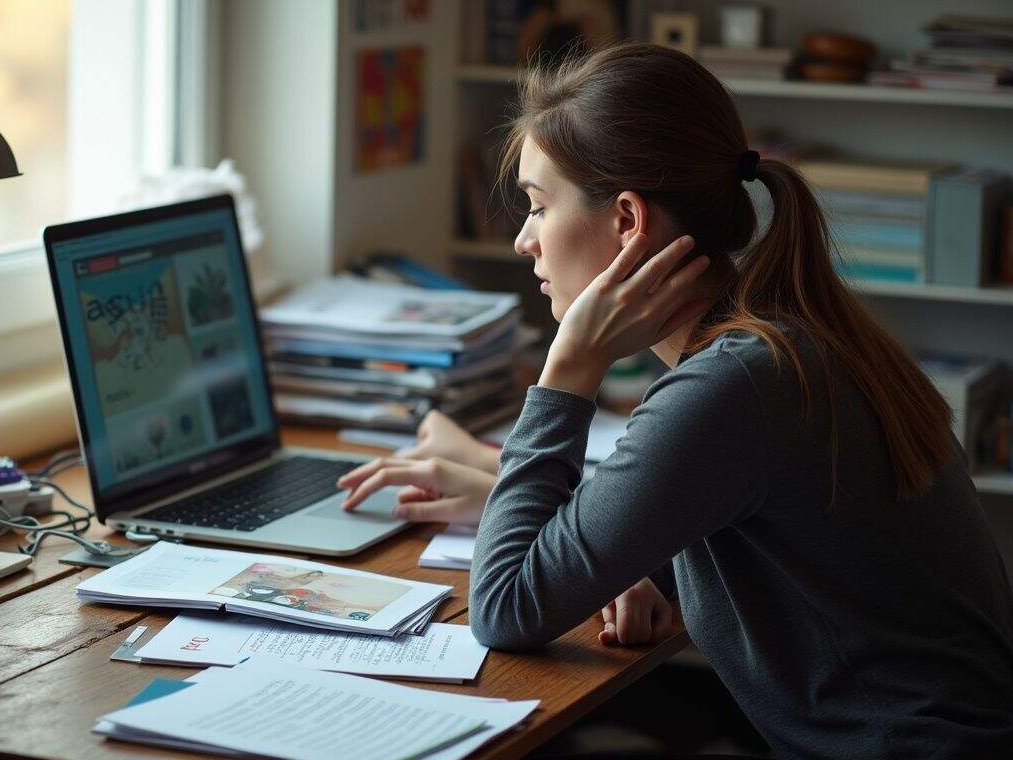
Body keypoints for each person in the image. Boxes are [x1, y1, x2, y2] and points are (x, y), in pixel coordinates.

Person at [337, 43, 1013, 758]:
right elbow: (678, 506)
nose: (522, 240)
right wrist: (498, 481)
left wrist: (568, 366)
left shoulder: (737, 384)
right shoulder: (784, 338)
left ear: (627, 220)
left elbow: (505, 610)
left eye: (538, 206)